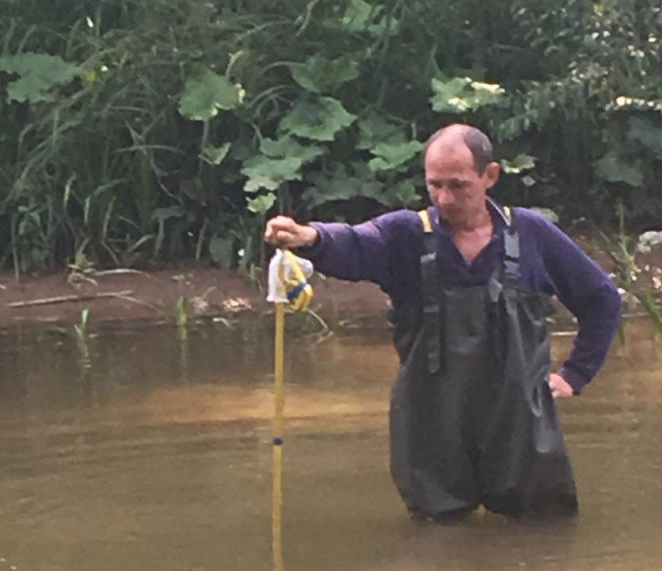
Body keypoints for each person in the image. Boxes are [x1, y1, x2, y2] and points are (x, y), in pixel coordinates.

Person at [264, 123, 621, 520]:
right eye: (435, 185)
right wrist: (309, 237)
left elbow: (602, 299)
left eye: (458, 185)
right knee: (439, 537)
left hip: (520, 426)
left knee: (543, 531)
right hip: (432, 426)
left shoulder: (532, 234)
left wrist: (575, 374)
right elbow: (354, 242)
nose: (444, 198)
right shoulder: (406, 234)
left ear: (490, 176)